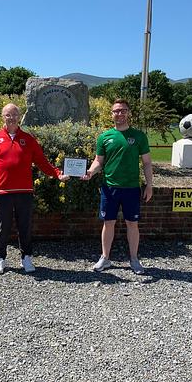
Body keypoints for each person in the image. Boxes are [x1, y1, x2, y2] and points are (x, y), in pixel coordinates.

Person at [0, 103, 69, 274]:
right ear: (3, 117)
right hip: (3, 192)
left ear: (19, 117)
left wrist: (57, 174)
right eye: (8, 115)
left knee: (25, 226)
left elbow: (42, 161)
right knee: (2, 227)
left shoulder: (28, 139)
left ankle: (26, 257)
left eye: (15, 114)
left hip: (24, 191)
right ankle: (0, 259)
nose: (12, 118)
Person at [82, 99, 153, 274]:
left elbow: (147, 163)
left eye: (123, 110)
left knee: (132, 223)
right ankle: (105, 258)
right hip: (109, 188)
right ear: (111, 114)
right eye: (116, 111)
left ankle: (134, 259)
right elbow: (98, 161)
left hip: (132, 188)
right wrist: (90, 172)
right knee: (108, 222)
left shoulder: (139, 136)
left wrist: (149, 185)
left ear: (128, 113)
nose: (119, 114)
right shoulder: (104, 137)